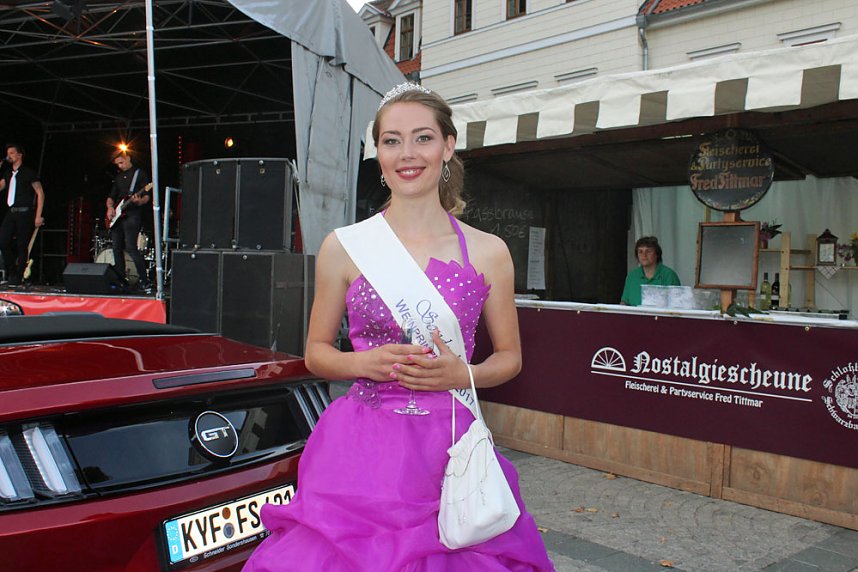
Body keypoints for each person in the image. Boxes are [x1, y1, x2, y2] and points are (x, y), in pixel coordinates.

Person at [243, 84, 554, 571]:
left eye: (422, 138)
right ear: (379, 154)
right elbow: (316, 353)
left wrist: (464, 374)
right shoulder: (344, 246)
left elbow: (510, 358)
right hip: (362, 449)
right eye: (392, 141)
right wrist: (362, 363)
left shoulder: (490, 251)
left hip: (448, 448)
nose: (407, 154)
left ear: (447, 146)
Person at [0, 143, 45, 286]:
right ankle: (12, 271)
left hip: (25, 212)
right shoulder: (8, 173)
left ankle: (19, 276)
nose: (9, 156)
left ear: (19, 155)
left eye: (12, 153)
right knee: (3, 241)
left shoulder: (28, 173)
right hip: (11, 211)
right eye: (8, 153)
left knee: (22, 244)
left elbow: (40, 193)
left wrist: (38, 215)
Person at [105, 151, 150, 291]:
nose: (120, 166)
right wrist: (110, 208)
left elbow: (147, 196)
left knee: (131, 247)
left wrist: (139, 201)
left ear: (128, 157)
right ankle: (121, 279)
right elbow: (111, 196)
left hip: (132, 215)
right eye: (118, 164)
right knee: (116, 248)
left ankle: (144, 280)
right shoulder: (118, 177)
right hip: (118, 216)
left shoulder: (139, 173)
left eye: (121, 162)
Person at [620, 236, 680, 306]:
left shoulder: (669, 276)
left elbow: (677, 305)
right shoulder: (631, 276)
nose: (644, 255)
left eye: (648, 251)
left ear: (656, 254)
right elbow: (624, 302)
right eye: (640, 252)